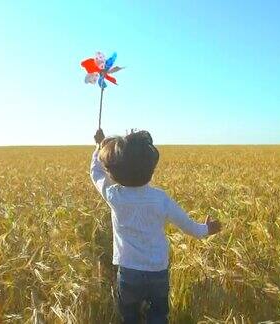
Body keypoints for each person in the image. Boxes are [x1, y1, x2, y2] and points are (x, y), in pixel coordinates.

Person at [90, 128, 222, 323]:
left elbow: (96, 172)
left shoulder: (114, 196)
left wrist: (98, 147)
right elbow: (188, 226)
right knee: (159, 315)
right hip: (157, 271)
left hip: (129, 271)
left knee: (129, 316)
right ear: (150, 169)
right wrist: (207, 229)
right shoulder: (160, 199)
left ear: (115, 171)